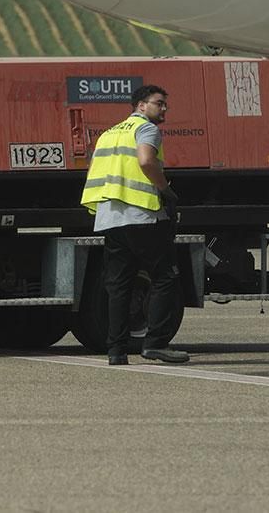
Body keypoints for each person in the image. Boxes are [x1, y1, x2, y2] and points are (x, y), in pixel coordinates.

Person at [80, 85, 188, 366]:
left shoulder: (108, 134)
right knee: (166, 277)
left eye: (165, 105)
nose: (164, 109)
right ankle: (155, 344)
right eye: (159, 103)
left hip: (110, 218)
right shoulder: (147, 129)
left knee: (118, 285)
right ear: (141, 105)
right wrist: (165, 190)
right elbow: (145, 160)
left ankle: (116, 351)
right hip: (142, 216)